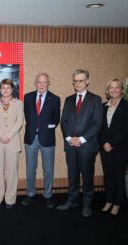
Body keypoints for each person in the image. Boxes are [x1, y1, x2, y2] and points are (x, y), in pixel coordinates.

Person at [57, 69, 103, 217]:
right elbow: (63, 121)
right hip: (70, 145)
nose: (77, 83)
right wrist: (70, 138)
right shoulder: (69, 99)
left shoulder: (96, 99)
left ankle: (87, 204)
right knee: (72, 175)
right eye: (75, 81)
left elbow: (97, 123)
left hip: (87, 146)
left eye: (81, 80)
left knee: (87, 175)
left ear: (87, 81)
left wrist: (82, 139)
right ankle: (72, 201)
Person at [21, 73, 60, 208]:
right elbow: (27, 116)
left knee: (48, 169)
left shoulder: (55, 99)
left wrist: (45, 128)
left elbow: (56, 120)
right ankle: (30, 193)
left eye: (44, 82)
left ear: (48, 83)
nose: (42, 84)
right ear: (35, 83)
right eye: (39, 82)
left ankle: (48, 195)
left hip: (47, 139)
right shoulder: (28, 97)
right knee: (31, 168)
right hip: (31, 138)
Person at [0, 79, 24, 209]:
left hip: (13, 141)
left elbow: (19, 121)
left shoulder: (18, 103)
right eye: (3, 88)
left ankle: (10, 199)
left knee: (12, 172)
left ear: (12, 89)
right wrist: (0, 135)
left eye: (8, 88)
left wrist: (8, 136)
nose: (5, 90)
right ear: (0, 89)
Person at [99, 79, 128, 216]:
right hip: (104, 148)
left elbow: (125, 130)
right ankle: (109, 200)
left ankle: (117, 203)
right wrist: (104, 143)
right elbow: (100, 128)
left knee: (119, 176)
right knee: (108, 176)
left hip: (120, 148)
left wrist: (112, 143)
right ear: (108, 90)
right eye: (111, 87)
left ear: (122, 90)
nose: (114, 90)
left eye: (117, 87)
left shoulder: (126, 106)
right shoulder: (103, 106)